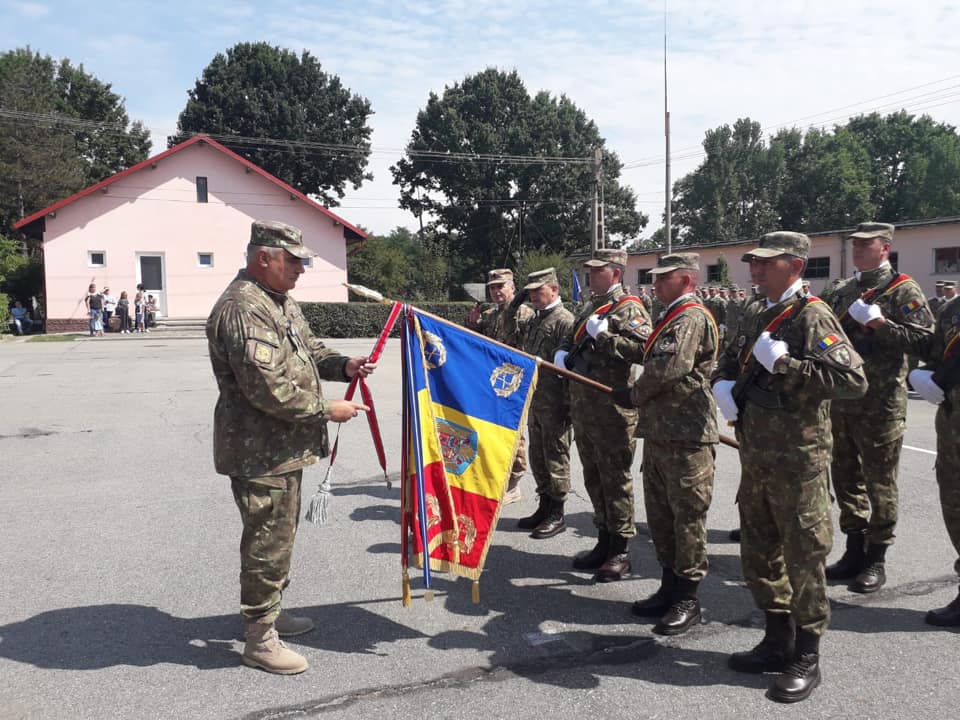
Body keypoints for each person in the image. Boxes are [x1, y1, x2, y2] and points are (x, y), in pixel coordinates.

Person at [207, 220, 373, 675]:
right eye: (294, 260)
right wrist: (327, 409)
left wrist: (344, 365)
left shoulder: (278, 301)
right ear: (264, 258)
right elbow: (267, 389)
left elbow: (311, 351)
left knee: (279, 538)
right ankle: (260, 638)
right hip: (259, 451)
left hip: (280, 447)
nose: (301, 269)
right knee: (267, 542)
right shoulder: (243, 308)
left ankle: (271, 613)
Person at [712, 231, 867, 703]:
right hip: (757, 457)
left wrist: (788, 366)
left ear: (795, 266)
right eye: (753, 262)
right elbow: (731, 360)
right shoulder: (755, 312)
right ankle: (776, 639)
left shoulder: (812, 316)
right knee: (760, 554)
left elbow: (852, 380)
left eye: (766, 263)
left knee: (803, 558)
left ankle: (806, 654)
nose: (755, 270)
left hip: (799, 462)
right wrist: (723, 386)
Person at [612, 253, 718, 636]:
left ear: (686, 280)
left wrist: (633, 394)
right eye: (654, 278)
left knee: (687, 519)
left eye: (663, 278)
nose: (654, 284)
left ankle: (688, 599)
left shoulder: (690, 317)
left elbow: (668, 369)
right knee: (662, 517)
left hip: (687, 436)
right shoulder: (670, 317)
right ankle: (669, 588)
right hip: (662, 433)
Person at [825, 222, 934, 593]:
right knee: (845, 477)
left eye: (865, 244)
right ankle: (853, 548)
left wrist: (880, 324)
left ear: (885, 247)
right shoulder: (841, 289)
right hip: (842, 401)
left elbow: (925, 342)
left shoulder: (903, 289)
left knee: (880, 482)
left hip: (881, 403)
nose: (857, 249)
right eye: (854, 243)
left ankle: (876, 557)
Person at [554, 248, 651, 582]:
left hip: (612, 411)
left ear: (616, 273)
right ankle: (604, 539)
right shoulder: (589, 306)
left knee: (615, 480)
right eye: (590, 270)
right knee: (594, 477)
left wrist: (605, 338)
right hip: (585, 408)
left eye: (598, 270)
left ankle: (620, 550)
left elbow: (644, 351)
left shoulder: (629, 308)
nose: (591, 275)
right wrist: (563, 353)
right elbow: (571, 338)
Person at [910, 293, 960, 626]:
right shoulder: (953, 309)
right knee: (955, 508)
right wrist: (923, 375)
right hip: (952, 428)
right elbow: (938, 354)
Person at [467, 268, 535, 504]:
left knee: (513, 432)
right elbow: (478, 343)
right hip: (491, 383)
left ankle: (514, 483)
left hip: (514, 382)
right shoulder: (489, 314)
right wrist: (473, 324)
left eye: (501, 286)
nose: (496, 291)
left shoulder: (525, 314)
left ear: (512, 287)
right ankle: (496, 477)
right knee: (492, 432)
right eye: (493, 287)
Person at [517, 268, 575, 539]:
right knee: (538, 455)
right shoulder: (535, 319)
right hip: (537, 399)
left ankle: (557, 513)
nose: (533, 296)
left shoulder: (564, 320)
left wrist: (568, 405)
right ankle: (544, 505)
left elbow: (570, 367)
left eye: (538, 291)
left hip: (556, 403)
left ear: (554, 289)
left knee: (555, 456)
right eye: (529, 292)